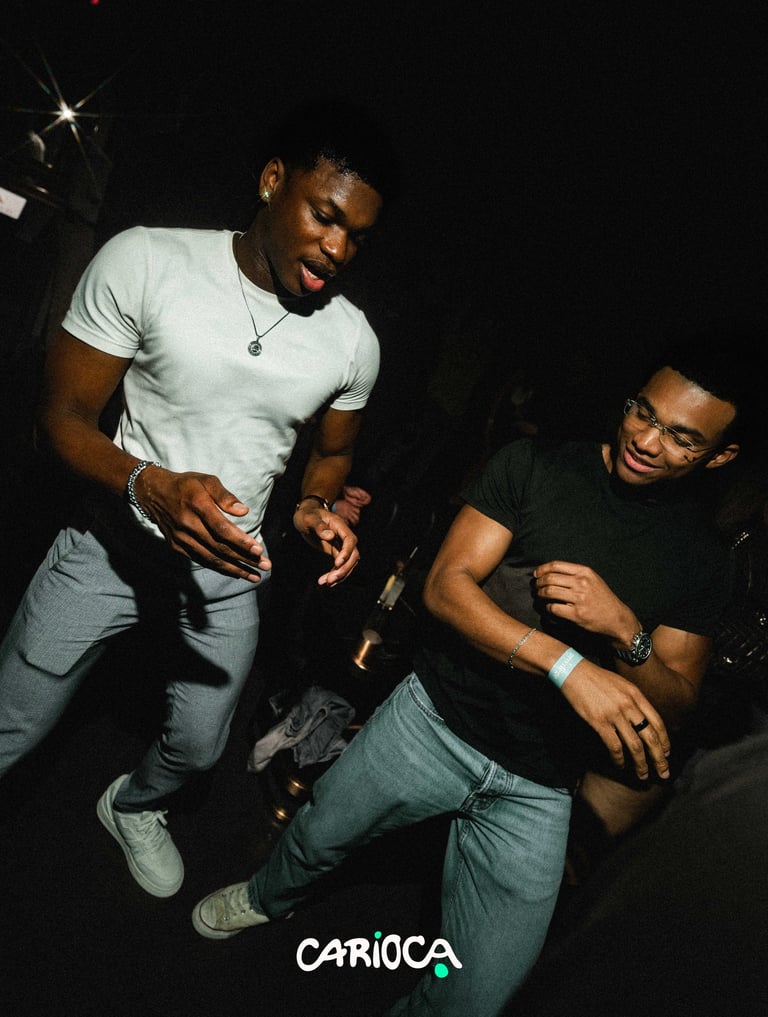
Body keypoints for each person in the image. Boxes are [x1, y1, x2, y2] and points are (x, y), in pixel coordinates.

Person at [191, 333, 755, 1016]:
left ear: (720, 456)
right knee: (317, 835)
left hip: (541, 782)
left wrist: (624, 633)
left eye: (681, 438)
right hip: (434, 720)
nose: (646, 439)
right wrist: (569, 664)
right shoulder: (536, 465)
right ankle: (266, 896)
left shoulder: (704, 561)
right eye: (644, 411)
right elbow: (446, 587)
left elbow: (679, 699)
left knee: (482, 995)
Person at [0, 99, 396, 899]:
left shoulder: (354, 342)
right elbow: (60, 419)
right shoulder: (147, 260)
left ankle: (133, 806)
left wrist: (316, 509)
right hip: (108, 542)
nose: (337, 248)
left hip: (227, 570)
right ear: (273, 180)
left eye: (357, 235)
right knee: (12, 724)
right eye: (325, 216)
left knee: (200, 746)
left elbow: (331, 455)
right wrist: (146, 483)